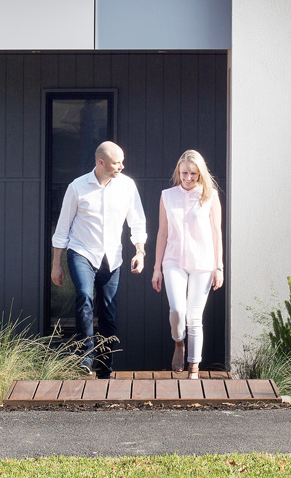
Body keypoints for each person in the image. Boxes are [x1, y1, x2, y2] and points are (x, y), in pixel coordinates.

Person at [50, 141, 147, 378]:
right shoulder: (77, 187)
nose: (122, 166)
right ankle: (85, 358)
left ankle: (104, 366)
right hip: (82, 251)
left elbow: (137, 221)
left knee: (108, 312)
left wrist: (140, 251)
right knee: (84, 296)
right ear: (101, 163)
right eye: (117, 162)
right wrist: (56, 265)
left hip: (112, 257)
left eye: (122, 161)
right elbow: (62, 228)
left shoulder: (127, 186)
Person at [150, 149, 224, 378]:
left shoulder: (209, 196)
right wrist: (156, 268)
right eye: (184, 173)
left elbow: (216, 234)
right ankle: (178, 343)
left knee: (194, 317)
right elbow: (162, 233)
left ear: (200, 173)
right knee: (177, 310)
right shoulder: (167, 195)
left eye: (193, 173)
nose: (188, 178)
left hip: (202, 263)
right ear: (178, 171)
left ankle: (194, 367)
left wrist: (219, 267)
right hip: (173, 261)